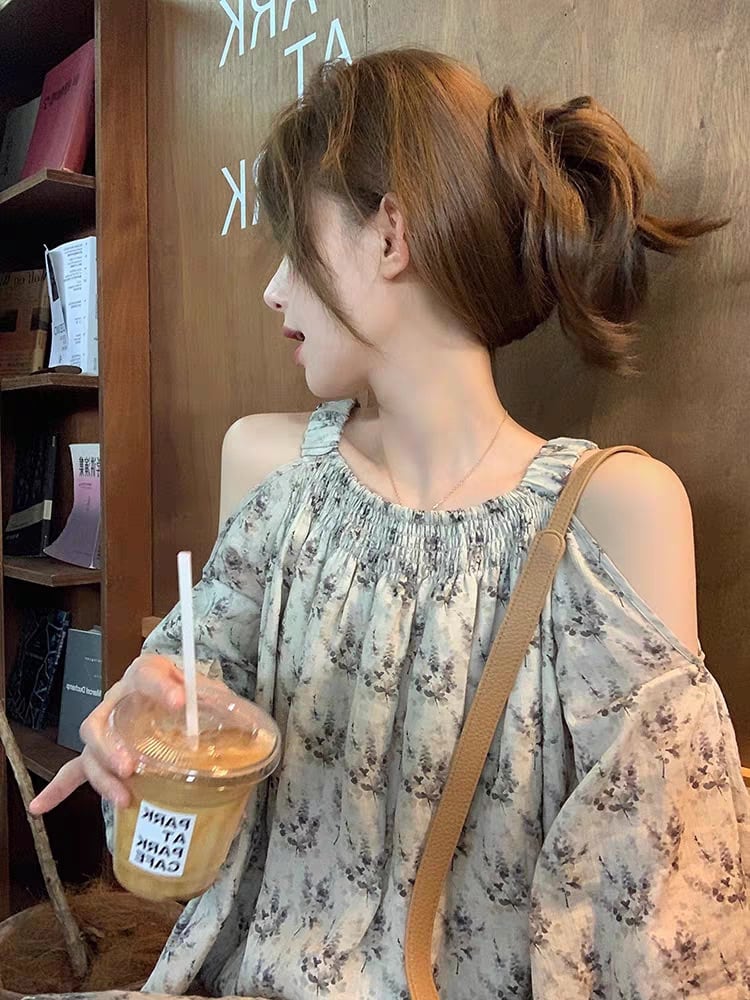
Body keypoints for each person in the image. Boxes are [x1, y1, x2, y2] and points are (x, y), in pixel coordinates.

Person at [24, 47, 748, 1000]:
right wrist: (139, 724)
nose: (274, 289)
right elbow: (186, 732)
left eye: (296, 243)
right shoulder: (274, 472)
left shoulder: (613, 515)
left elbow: (666, 927)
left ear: (389, 236)